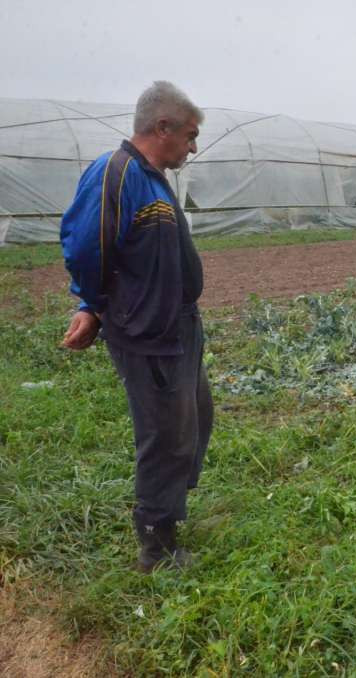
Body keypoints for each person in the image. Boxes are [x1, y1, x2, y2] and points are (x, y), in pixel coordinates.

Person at [60, 81, 212, 573]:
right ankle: (156, 543)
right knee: (165, 435)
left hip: (179, 327)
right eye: (189, 135)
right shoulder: (116, 172)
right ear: (161, 127)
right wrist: (95, 304)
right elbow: (86, 247)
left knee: (194, 420)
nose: (192, 146)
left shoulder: (153, 179)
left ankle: (169, 509)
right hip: (148, 331)